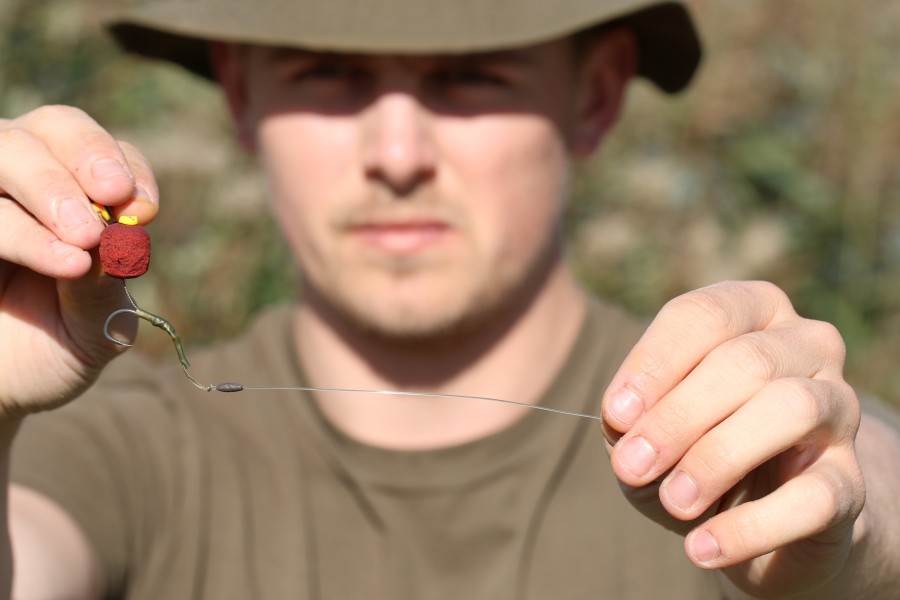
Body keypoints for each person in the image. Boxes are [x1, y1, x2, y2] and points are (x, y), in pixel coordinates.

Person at [1, 0, 899, 598]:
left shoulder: (737, 446)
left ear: (592, 96)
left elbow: (870, 479)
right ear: (242, 93)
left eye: (472, 76)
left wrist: (856, 531)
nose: (397, 153)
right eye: (327, 73)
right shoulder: (118, 450)